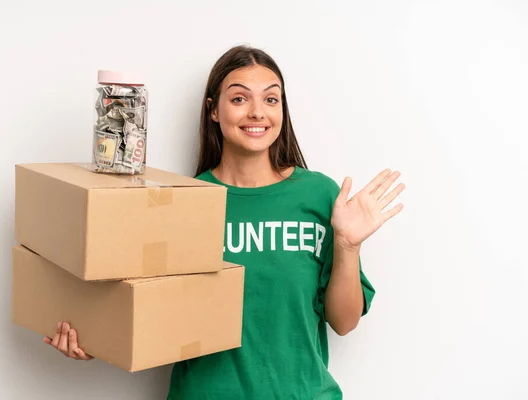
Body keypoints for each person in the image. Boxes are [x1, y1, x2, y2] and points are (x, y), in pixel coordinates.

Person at [44, 45, 405, 399]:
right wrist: (95, 337)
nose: (257, 112)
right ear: (213, 110)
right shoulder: (182, 201)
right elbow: (149, 310)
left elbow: (344, 323)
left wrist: (346, 245)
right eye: (239, 99)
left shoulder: (320, 196)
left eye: (271, 99)